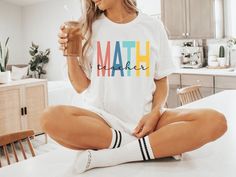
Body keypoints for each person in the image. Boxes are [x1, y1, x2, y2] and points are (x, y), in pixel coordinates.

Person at [40, 0, 227, 174]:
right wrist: (70, 55)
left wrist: (155, 112)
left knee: (215, 121)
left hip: (146, 120)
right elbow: (81, 87)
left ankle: (115, 154)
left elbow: (161, 80)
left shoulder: (153, 27)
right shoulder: (88, 29)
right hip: (102, 122)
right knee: (49, 118)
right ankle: (148, 146)